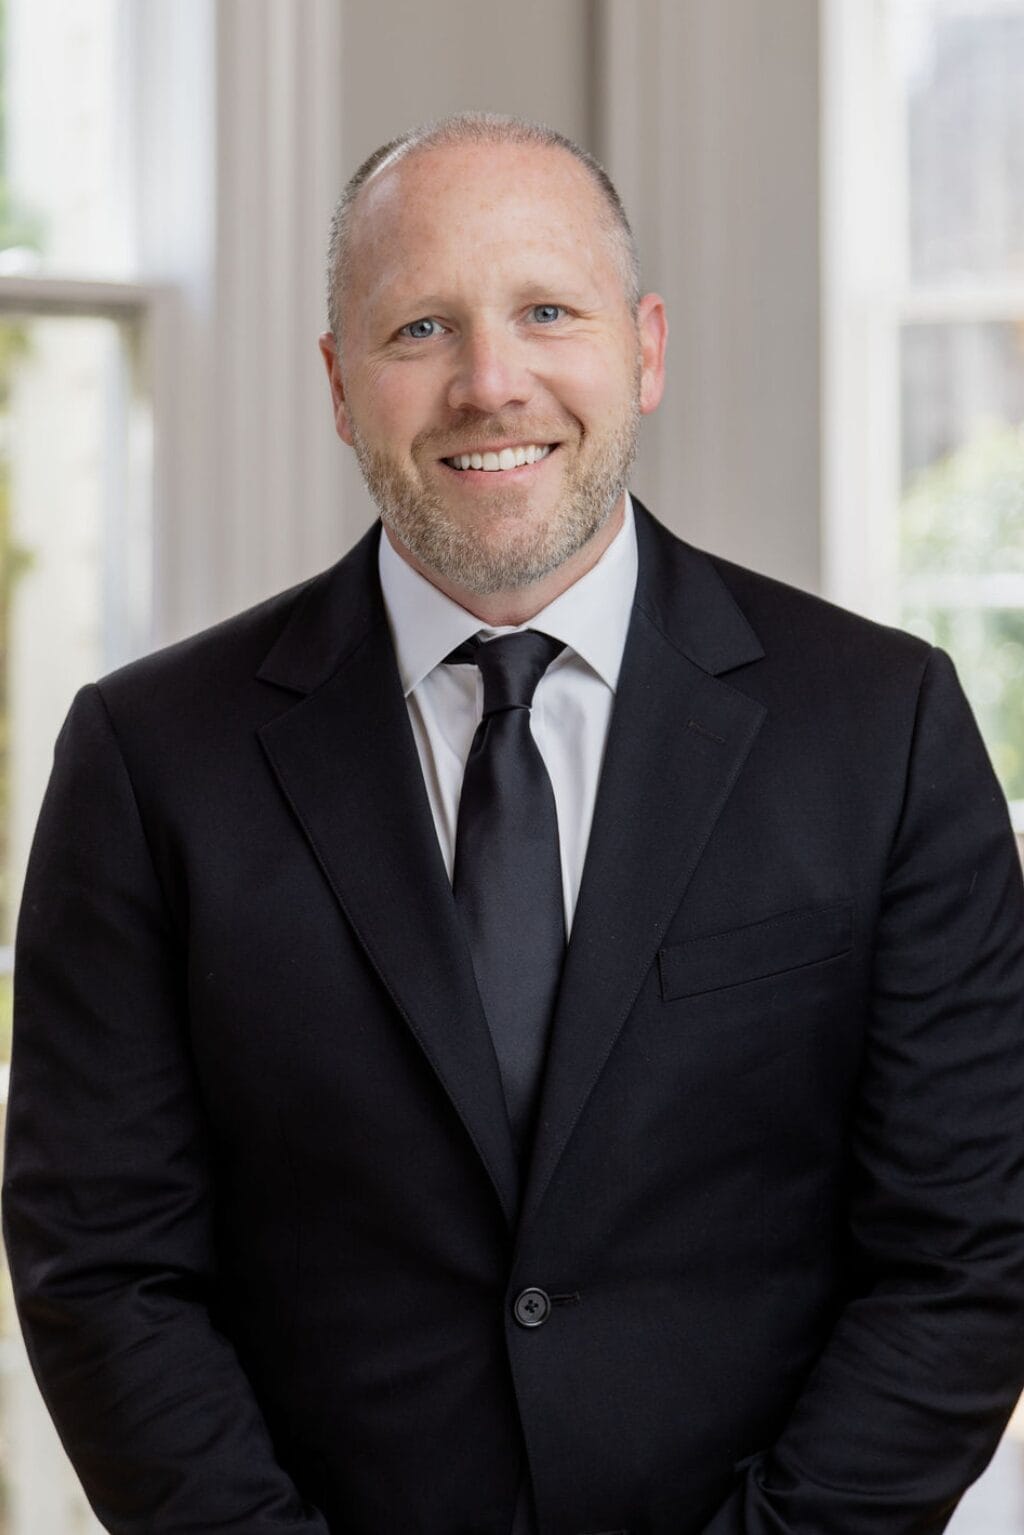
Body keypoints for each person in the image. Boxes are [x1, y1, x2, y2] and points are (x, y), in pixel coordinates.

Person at [4, 110, 1024, 1535]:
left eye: (549, 310)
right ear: (340, 386)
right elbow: (102, 1269)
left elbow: (964, 1258)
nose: (492, 383)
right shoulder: (148, 759)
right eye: (420, 327)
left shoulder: (885, 727)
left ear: (646, 349)